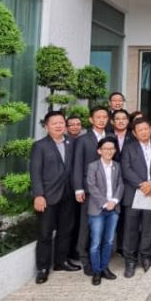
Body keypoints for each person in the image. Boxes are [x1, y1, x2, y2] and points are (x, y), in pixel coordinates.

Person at [31, 111, 78, 283]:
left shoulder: (72, 142)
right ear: (46, 127)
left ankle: (61, 261)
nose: (58, 126)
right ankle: (43, 268)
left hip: (68, 194)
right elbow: (35, 172)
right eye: (54, 123)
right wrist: (38, 195)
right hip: (48, 196)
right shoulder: (40, 146)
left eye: (61, 122)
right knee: (45, 233)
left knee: (66, 230)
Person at [120, 116, 151, 277]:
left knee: (149, 227)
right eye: (140, 130)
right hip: (134, 193)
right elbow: (126, 169)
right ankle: (130, 260)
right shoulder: (128, 148)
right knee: (131, 229)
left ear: (150, 129)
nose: (144, 132)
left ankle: (146, 257)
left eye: (146, 129)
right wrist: (142, 185)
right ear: (134, 133)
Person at [72, 105, 112, 275]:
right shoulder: (83, 140)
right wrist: (78, 189)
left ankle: (101, 261)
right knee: (86, 227)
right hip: (89, 191)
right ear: (91, 119)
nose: (102, 120)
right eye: (98, 117)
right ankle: (85, 259)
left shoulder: (110, 137)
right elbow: (77, 165)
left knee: (105, 227)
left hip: (107, 192)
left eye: (104, 117)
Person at [85, 136, 123, 285]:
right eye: (106, 148)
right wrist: (105, 203)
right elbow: (91, 186)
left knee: (108, 241)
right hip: (97, 210)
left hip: (113, 209)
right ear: (99, 151)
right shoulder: (93, 166)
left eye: (112, 148)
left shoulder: (117, 166)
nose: (109, 151)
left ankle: (105, 267)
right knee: (95, 242)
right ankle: (96, 271)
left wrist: (114, 201)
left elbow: (121, 185)